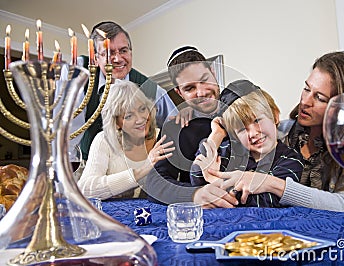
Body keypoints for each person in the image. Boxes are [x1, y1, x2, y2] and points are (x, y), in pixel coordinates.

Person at [212, 51, 344, 213]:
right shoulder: (279, 132)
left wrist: (272, 184)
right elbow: (212, 166)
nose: (305, 102)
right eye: (306, 89)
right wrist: (217, 135)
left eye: (319, 98)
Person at [145, 46, 239, 208]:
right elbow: (154, 183)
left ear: (213, 73)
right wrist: (194, 194)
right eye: (190, 88)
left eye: (204, 80)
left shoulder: (240, 100)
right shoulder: (176, 128)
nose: (201, 92)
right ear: (179, 93)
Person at [71, 21, 177, 160]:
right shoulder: (83, 77)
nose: (118, 59)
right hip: (88, 168)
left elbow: (176, 128)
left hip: (137, 169)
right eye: (109, 53)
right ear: (96, 59)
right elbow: (67, 132)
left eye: (123, 51)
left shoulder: (151, 89)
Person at [190, 89, 304, 208]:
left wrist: (215, 181)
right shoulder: (229, 151)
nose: (253, 133)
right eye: (241, 129)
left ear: (275, 116)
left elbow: (267, 201)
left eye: (257, 120)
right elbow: (197, 175)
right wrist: (216, 135)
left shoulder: (291, 159)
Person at [78, 80, 175, 200]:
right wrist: (142, 170)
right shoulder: (104, 140)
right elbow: (85, 189)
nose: (140, 119)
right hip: (113, 216)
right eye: (129, 116)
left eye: (142, 109)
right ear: (116, 123)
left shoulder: (164, 137)